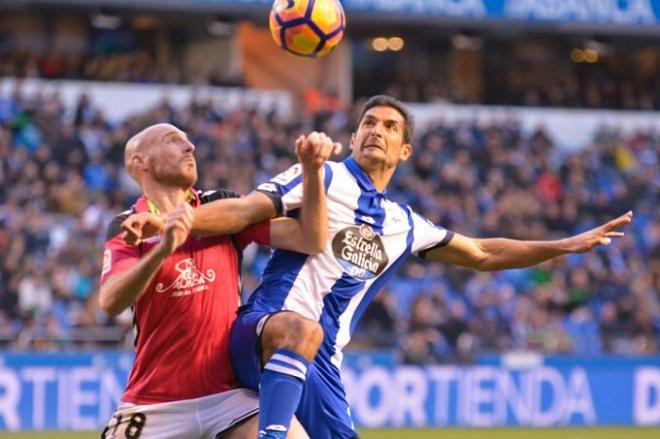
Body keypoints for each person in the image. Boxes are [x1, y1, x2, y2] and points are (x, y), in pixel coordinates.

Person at [125, 96, 633, 439]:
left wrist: (562, 245)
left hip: (321, 365)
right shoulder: (322, 176)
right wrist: (174, 222)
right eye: (369, 123)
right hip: (264, 330)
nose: (377, 132)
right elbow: (243, 211)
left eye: (390, 127)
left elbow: (483, 254)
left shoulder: (406, 224)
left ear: (404, 150)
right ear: (352, 135)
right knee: (298, 328)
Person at [99, 122, 339, 439]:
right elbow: (111, 301)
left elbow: (310, 238)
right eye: (173, 141)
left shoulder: (219, 208)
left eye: (188, 140)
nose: (190, 147)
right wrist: (162, 250)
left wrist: (312, 172)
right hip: (156, 402)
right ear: (140, 162)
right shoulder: (128, 225)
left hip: (227, 397)